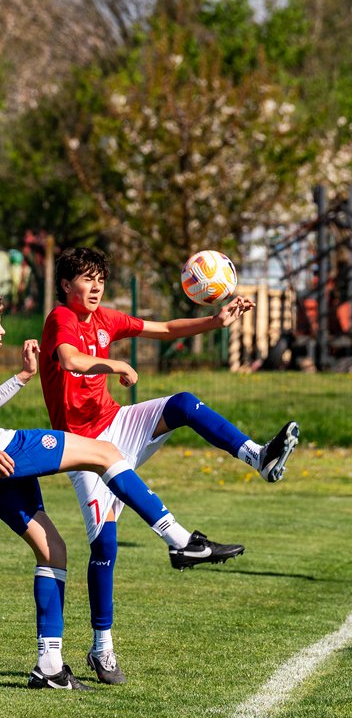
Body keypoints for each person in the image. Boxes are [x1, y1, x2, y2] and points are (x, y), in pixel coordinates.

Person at [0, 288, 245, 691]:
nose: (2, 330)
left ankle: (49, 667)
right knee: (105, 453)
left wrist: (22, 378)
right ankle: (180, 540)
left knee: (52, 550)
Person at [39, 246, 300, 685]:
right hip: (82, 446)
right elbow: (70, 360)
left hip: (118, 423)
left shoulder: (105, 318)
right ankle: (102, 649)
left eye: (100, 279)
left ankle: (257, 456)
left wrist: (215, 321)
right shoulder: (60, 318)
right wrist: (113, 364)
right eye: (86, 280)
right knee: (105, 547)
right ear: (66, 285)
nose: (96, 288)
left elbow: (163, 328)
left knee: (182, 403)